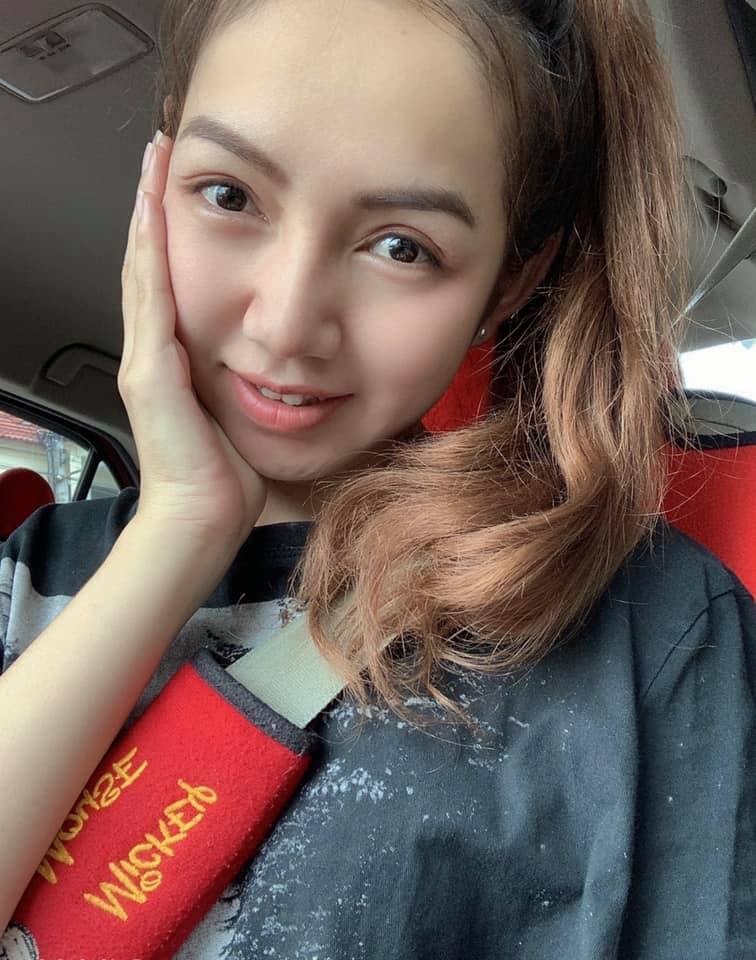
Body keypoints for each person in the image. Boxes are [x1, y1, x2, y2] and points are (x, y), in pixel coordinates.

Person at [1, 0, 754, 956]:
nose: (284, 325)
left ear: (511, 281)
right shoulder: (28, 570)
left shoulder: (658, 628)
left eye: (403, 247)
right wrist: (179, 528)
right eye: (228, 195)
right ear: (158, 179)